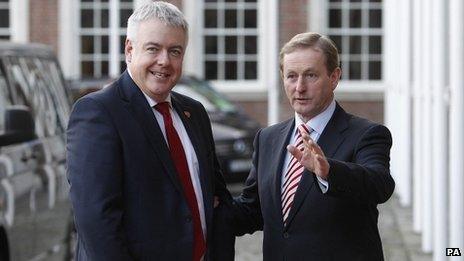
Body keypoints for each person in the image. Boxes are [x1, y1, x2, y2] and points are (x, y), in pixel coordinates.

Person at [66, 2, 231, 260]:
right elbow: (97, 222)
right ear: (130, 49)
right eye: (153, 48)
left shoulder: (194, 113)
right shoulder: (98, 113)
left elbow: (216, 198)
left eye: (175, 51)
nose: (164, 61)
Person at [230, 32, 395, 260]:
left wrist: (328, 172)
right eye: (291, 76)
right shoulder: (268, 138)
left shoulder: (367, 134)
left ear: (334, 77)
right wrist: (205, 201)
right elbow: (252, 211)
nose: (299, 87)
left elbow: (380, 184)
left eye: (310, 75)